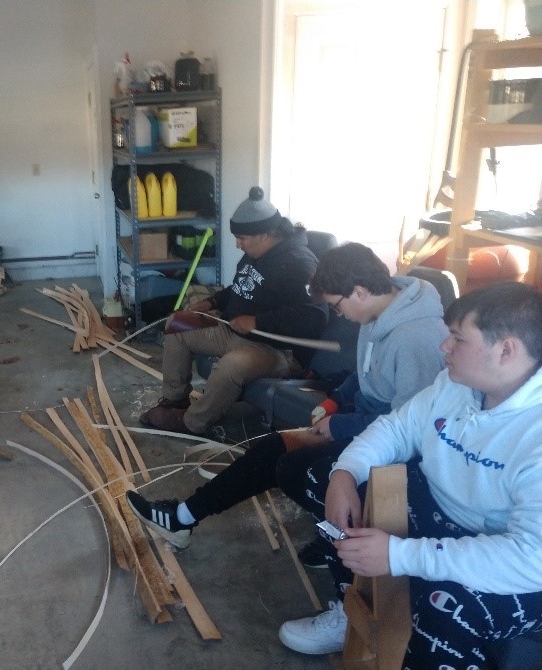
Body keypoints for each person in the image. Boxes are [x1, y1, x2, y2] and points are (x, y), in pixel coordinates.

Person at [279, 282, 542, 667]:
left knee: (445, 611)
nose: (443, 347)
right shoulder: (455, 384)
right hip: (440, 511)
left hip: (509, 558)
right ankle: (352, 603)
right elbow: (396, 429)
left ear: (506, 350)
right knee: (324, 479)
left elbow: (530, 558)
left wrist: (400, 555)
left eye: (456, 338)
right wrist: (344, 474)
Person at [127, 243, 449, 549]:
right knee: (269, 450)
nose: (338, 315)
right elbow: (365, 375)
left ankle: (336, 540)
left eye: (337, 305)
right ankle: (181, 519)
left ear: (360, 291)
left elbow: (407, 428)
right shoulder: (376, 312)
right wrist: (335, 399)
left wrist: (340, 426)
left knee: (292, 470)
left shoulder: (416, 340)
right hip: (364, 421)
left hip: (390, 445)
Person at [139, 186, 327, 436]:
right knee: (178, 324)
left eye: (242, 238)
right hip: (235, 332)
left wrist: (257, 322)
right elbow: (240, 288)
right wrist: (212, 303)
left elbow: (314, 317)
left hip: (277, 350)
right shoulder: (257, 254)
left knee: (231, 366)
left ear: (264, 234)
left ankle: (192, 422)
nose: (238, 244)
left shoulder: (300, 263)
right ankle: (175, 400)